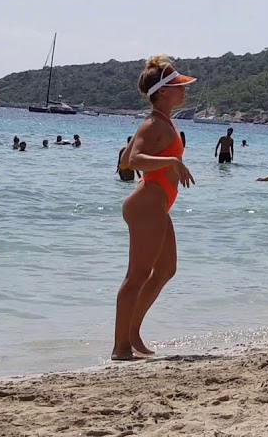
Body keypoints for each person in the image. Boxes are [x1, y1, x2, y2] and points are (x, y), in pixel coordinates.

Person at [112, 55, 196, 361]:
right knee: (137, 276)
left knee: (165, 270)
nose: (183, 90)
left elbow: (125, 157)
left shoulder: (160, 122)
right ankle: (120, 347)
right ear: (161, 92)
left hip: (156, 204)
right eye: (177, 86)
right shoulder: (152, 123)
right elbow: (132, 161)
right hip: (147, 202)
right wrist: (171, 161)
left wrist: (162, 162)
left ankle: (132, 333)